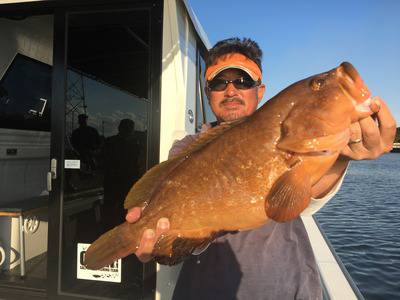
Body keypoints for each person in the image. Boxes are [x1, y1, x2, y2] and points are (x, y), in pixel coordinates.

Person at [126, 38, 396, 299]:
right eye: (219, 83)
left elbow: (303, 195)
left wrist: (342, 156)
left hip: (287, 289)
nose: (231, 91)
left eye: (243, 81)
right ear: (208, 93)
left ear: (261, 90)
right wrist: (154, 243)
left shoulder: (299, 146)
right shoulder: (186, 150)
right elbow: (171, 241)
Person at [102, 119, 141, 230]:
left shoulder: (111, 141)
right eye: (129, 128)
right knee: (114, 209)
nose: (130, 130)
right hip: (118, 181)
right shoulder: (134, 144)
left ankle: (112, 229)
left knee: (119, 209)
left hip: (121, 181)